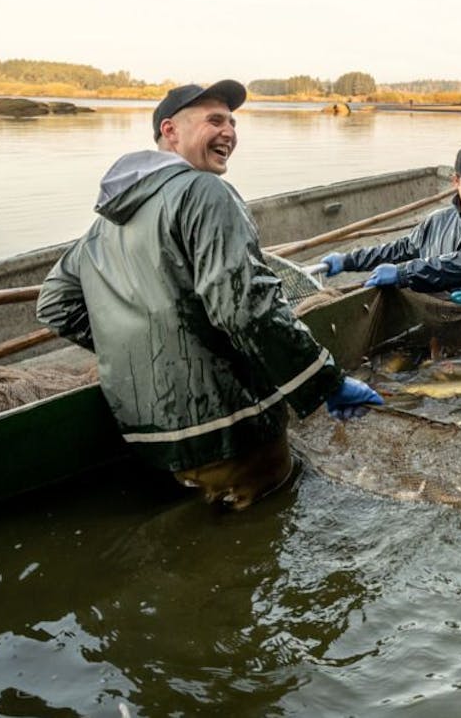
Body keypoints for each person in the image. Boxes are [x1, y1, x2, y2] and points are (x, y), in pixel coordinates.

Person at [37, 80, 383, 510]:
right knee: (265, 536)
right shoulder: (205, 192)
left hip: (150, 440)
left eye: (233, 122)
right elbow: (245, 307)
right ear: (170, 130)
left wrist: (141, 351)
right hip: (230, 429)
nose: (230, 133)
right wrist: (326, 383)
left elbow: (54, 303)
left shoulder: (105, 224)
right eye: (215, 120)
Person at [320, 142, 461, 311]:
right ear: (456, 181)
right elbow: (400, 249)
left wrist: (403, 273)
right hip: (446, 323)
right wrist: (348, 260)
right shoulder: (437, 220)